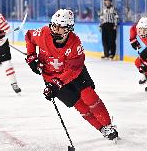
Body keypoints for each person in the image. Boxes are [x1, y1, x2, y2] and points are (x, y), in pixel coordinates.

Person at [25, 9, 118, 140]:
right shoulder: (43, 33)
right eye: (54, 26)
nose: (55, 30)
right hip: (51, 77)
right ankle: (101, 128)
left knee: (89, 96)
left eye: (60, 27)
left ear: (69, 28)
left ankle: (108, 125)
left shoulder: (75, 44)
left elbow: (73, 70)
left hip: (75, 73)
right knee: (80, 106)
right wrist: (31, 57)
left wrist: (57, 83)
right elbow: (29, 36)